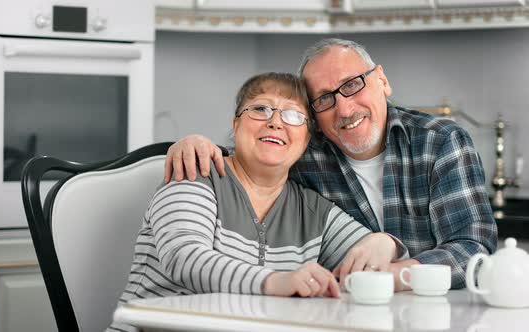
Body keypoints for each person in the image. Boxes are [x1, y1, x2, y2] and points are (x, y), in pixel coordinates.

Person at [163, 38, 498, 290]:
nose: (344, 109)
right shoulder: (306, 152)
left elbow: (474, 250)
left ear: (381, 80)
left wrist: (392, 260)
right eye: (324, 99)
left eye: (352, 85)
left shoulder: (440, 141)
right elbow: (256, 156)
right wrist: (198, 145)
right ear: (314, 119)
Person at [108, 72, 404, 331]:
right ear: (236, 125)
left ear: (306, 140)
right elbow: (186, 259)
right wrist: (276, 282)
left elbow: (383, 264)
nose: (275, 122)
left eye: (293, 115)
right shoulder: (196, 172)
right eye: (260, 109)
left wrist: (384, 243)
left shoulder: (313, 210)